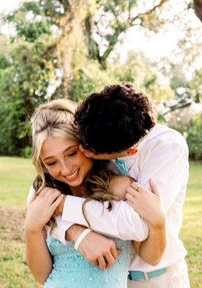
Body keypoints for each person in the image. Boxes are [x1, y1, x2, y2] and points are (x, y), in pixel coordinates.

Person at [55, 83, 190, 288]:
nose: (81, 150)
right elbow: (40, 197)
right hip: (111, 278)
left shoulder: (168, 148)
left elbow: (136, 224)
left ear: (129, 152)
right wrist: (74, 230)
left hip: (158, 278)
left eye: (89, 150)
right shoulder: (100, 126)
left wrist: (66, 206)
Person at [24, 98, 166, 288]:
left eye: (71, 153)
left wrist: (158, 223)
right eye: (52, 162)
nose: (65, 169)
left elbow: (152, 256)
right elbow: (42, 276)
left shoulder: (120, 186)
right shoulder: (44, 196)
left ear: (85, 146)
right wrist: (32, 229)